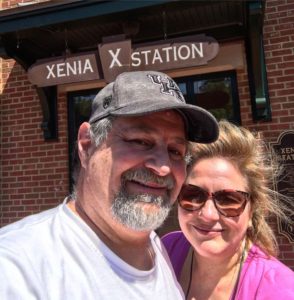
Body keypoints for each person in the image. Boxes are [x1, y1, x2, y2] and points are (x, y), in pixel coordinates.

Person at [0, 70, 218, 299]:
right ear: (86, 145)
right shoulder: (17, 268)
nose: (163, 167)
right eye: (141, 141)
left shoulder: (154, 245)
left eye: (175, 151)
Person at [162, 120, 294, 300]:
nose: (208, 214)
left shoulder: (279, 290)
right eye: (193, 194)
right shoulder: (167, 249)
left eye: (228, 200)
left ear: (252, 211)